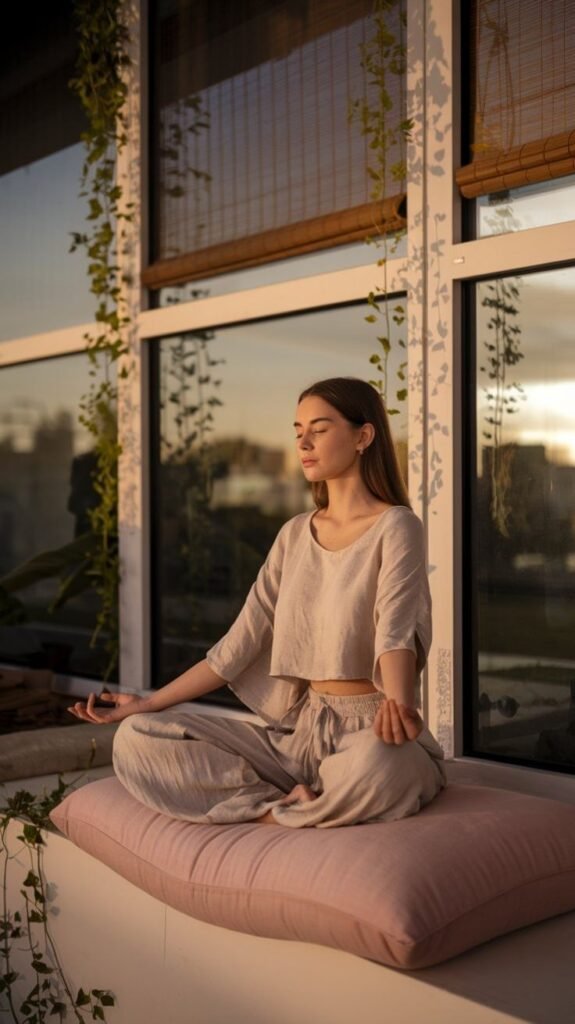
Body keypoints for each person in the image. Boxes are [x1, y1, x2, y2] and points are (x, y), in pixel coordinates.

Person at [68, 376, 447, 828]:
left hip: (370, 731)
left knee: (384, 766)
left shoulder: (397, 526)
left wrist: (400, 706)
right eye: (297, 430)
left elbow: (396, 627)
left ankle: (294, 805)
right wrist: (147, 705)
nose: (303, 442)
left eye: (320, 429)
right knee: (136, 739)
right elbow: (237, 645)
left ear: (364, 436)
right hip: (297, 739)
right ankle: (278, 808)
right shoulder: (293, 535)